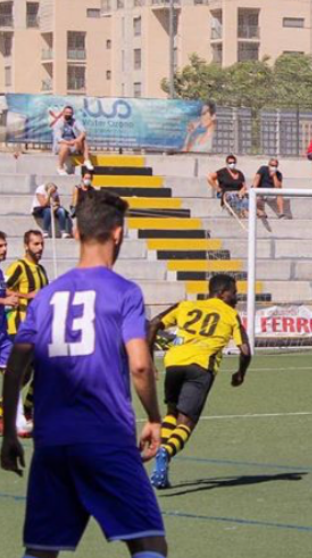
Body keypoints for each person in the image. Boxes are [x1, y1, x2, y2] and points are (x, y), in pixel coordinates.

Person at [0, 190, 168, 558]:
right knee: (148, 541)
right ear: (119, 233)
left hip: (52, 441)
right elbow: (140, 364)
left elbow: (15, 368)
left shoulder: (45, 298)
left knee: (41, 550)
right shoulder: (124, 292)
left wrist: (9, 433)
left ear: (75, 233)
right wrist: (155, 418)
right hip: (106, 436)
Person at [146, 274, 252, 489]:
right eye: (234, 291)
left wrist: (149, 360)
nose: (237, 296)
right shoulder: (231, 314)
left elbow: (154, 324)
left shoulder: (185, 305)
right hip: (201, 368)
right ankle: (166, 452)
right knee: (186, 423)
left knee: (172, 413)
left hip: (174, 363)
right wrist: (241, 373)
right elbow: (245, 350)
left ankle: (162, 463)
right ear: (222, 293)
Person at [4, 230, 48, 436]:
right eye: (36, 244)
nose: (40, 248)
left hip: (38, 330)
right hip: (19, 329)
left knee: (38, 371)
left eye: (41, 244)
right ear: (26, 246)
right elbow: (4, 290)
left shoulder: (41, 270)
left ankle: (24, 410)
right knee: (21, 372)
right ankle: (12, 412)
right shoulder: (18, 267)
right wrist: (26, 295)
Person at [0, 232, 25, 435]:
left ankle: (18, 420)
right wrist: (4, 301)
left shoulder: (0, 272)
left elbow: (3, 291)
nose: (4, 249)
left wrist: (12, 294)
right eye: (0, 246)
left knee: (13, 373)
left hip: (2, 334)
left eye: (5, 245)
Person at [49, 105, 92, 175]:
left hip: (73, 144)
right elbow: (59, 139)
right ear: (63, 113)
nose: (69, 114)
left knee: (83, 140)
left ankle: (87, 160)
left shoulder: (75, 121)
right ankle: (60, 167)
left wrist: (77, 140)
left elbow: (83, 131)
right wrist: (69, 143)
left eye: (70, 113)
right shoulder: (58, 123)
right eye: (67, 112)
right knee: (65, 146)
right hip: (61, 146)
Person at [207, 154, 249, 219]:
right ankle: (243, 212)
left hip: (238, 194)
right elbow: (209, 178)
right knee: (234, 198)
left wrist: (241, 191)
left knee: (247, 200)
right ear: (227, 163)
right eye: (230, 162)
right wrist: (218, 189)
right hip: (227, 194)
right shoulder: (222, 172)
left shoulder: (239, 173)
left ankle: (252, 212)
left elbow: (244, 186)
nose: (232, 164)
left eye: (234, 162)